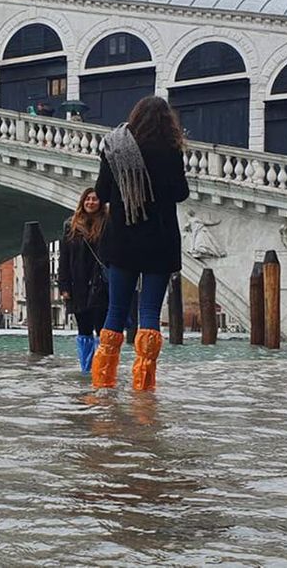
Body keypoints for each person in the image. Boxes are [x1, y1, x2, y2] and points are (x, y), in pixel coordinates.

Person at [92, 96, 189, 391]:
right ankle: (143, 388)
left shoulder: (115, 147)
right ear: (166, 121)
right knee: (148, 313)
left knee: (115, 311)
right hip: (159, 240)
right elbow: (180, 193)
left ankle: (103, 384)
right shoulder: (170, 150)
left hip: (123, 239)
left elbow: (102, 193)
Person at [57, 187, 108, 374]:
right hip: (78, 286)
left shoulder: (107, 224)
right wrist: (64, 286)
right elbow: (64, 258)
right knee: (84, 329)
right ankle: (87, 369)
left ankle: (102, 369)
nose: (91, 202)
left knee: (102, 329)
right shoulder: (71, 226)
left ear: (100, 203)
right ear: (82, 202)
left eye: (94, 199)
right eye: (87, 199)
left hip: (101, 285)